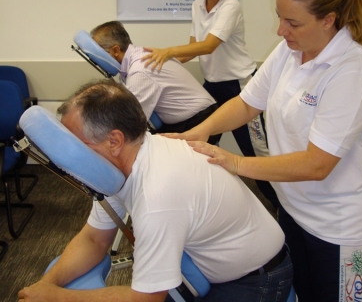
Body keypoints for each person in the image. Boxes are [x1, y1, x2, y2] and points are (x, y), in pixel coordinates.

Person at [164, 0, 362, 302]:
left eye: (293, 22)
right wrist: (198, 132)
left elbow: (317, 164)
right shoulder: (290, 51)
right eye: (280, 17)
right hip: (295, 212)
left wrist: (235, 163)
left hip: (342, 228)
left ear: (328, 19)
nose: (281, 31)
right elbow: (247, 104)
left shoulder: (353, 71)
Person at [18, 79, 293, 302]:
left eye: (77, 145)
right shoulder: (128, 160)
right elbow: (94, 240)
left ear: (114, 141)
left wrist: (58, 297)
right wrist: (45, 285)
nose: (75, 156)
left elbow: (146, 298)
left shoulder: (157, 194)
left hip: (257, 280)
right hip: (209, 263)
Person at [141, 0, 277, 206]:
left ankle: (281, 205)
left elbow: (209, 45)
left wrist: (168, 51)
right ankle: (196, 199)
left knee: (255, 151)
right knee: (197, 141)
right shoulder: (197, 5)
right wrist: (156, 65)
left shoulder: (230, 6)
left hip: (240, 86)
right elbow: (192, 49)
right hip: (213, 85)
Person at [90, 20, 220, 144]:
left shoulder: (140, 70)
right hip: (189, 119)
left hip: (199, 121)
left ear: (115, 50)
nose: (96, 61)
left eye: (98, 54)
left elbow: (129, 121)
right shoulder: (137, 58)